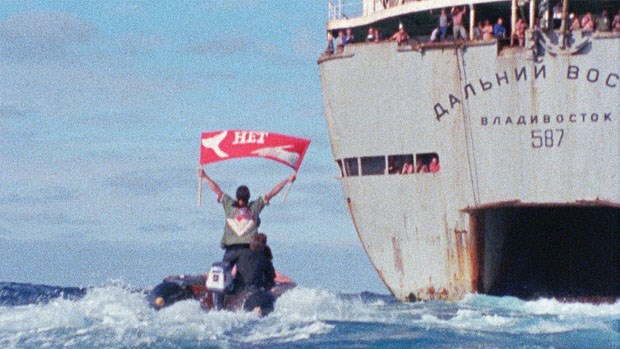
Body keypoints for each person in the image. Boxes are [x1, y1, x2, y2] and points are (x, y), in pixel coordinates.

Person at [199, 169, 296, 263]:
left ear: (237, 196)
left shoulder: (229, 204)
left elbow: (216, 190)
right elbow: (272, 193)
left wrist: (204, 176)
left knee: (224, 271)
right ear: (248, 197)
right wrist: (287, 180)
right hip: (249, 250)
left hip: (231, 250)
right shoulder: (255, 206)